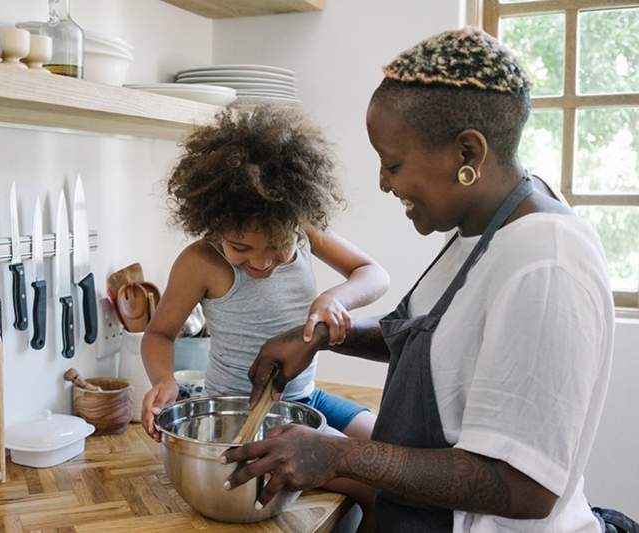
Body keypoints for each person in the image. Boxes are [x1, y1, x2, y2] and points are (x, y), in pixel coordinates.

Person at [223, 27, 623, 533]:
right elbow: (433, 344)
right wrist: (323, 338)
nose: (384, 183)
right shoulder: (484, 228)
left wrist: (341, 457)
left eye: (393, 163)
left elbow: (524, 487)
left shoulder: (547, 263)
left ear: (468, 155)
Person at [140, 108, 389, 445]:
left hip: (307, 399)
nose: (260, 262)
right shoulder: (199, 262)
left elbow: (374, 274)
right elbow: (159, 334)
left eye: (276, 246)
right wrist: (164, 380)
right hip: (238, 412)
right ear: (214, 226)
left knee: (388, 445)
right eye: (240, 247)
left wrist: (333, 299)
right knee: (357, 467)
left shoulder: (305, 232)